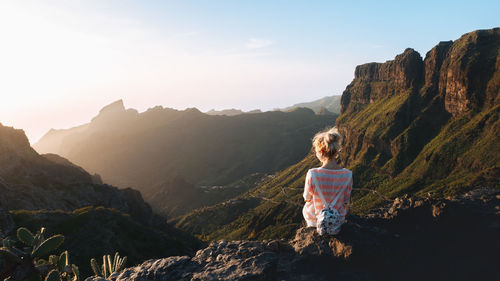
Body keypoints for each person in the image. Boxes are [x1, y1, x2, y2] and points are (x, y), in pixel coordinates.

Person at [302, 127, 353, 233]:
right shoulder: (348, 175)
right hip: (337, 219)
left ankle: (316, 227)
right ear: (335, 151)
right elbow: (346, 201)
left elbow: (307, 198)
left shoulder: (312, 173)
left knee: (307, 205)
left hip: (316, 219)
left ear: (321, 151)